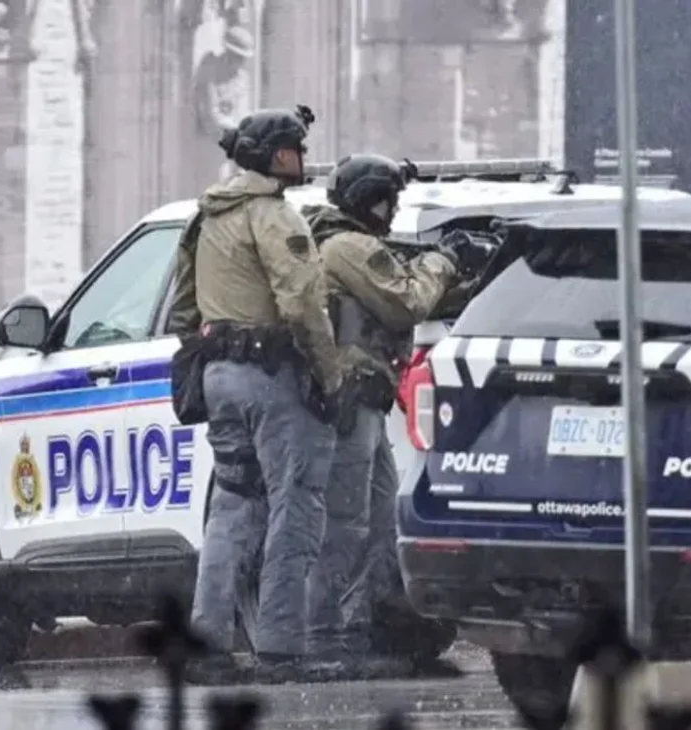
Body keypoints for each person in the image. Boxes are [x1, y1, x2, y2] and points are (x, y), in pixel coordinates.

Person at [168, 106, 360, 684]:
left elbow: (181, 305)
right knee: (296, 505)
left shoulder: (206, 216)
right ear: (276, 155)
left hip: (220, 376)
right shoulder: (274, 216)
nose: (300, 159)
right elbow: (303, 303)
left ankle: (207, 642)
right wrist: (330, 378)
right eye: (294, 149)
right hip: (276, 377)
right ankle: (280, 645)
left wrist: (210, 346)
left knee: (231, 506)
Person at [301, 153, 492, 679]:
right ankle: (324, 635)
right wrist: (445, 258)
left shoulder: (350, 246)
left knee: (381, 520)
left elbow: (417, 300)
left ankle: (357, 626)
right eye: (390, 200)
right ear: (373, 200)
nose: (394, 210)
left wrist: (469, 279)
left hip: (365, 401)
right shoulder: (349, 247)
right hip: (351, 399)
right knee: (345, 522)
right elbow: (405, 301)